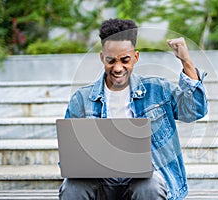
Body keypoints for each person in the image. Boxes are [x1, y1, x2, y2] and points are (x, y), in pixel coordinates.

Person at [59, 18, 207, 200]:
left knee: (150, 187)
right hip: (101, 183)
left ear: (136, 57)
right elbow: (69, 157)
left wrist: (186, 61)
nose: (118, 68)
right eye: (111, 61)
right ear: (101, 57)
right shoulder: (81, 100)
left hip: (144, 181)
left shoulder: (157, 89)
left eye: (125, 60)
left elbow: (195, 110)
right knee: (71, 186)